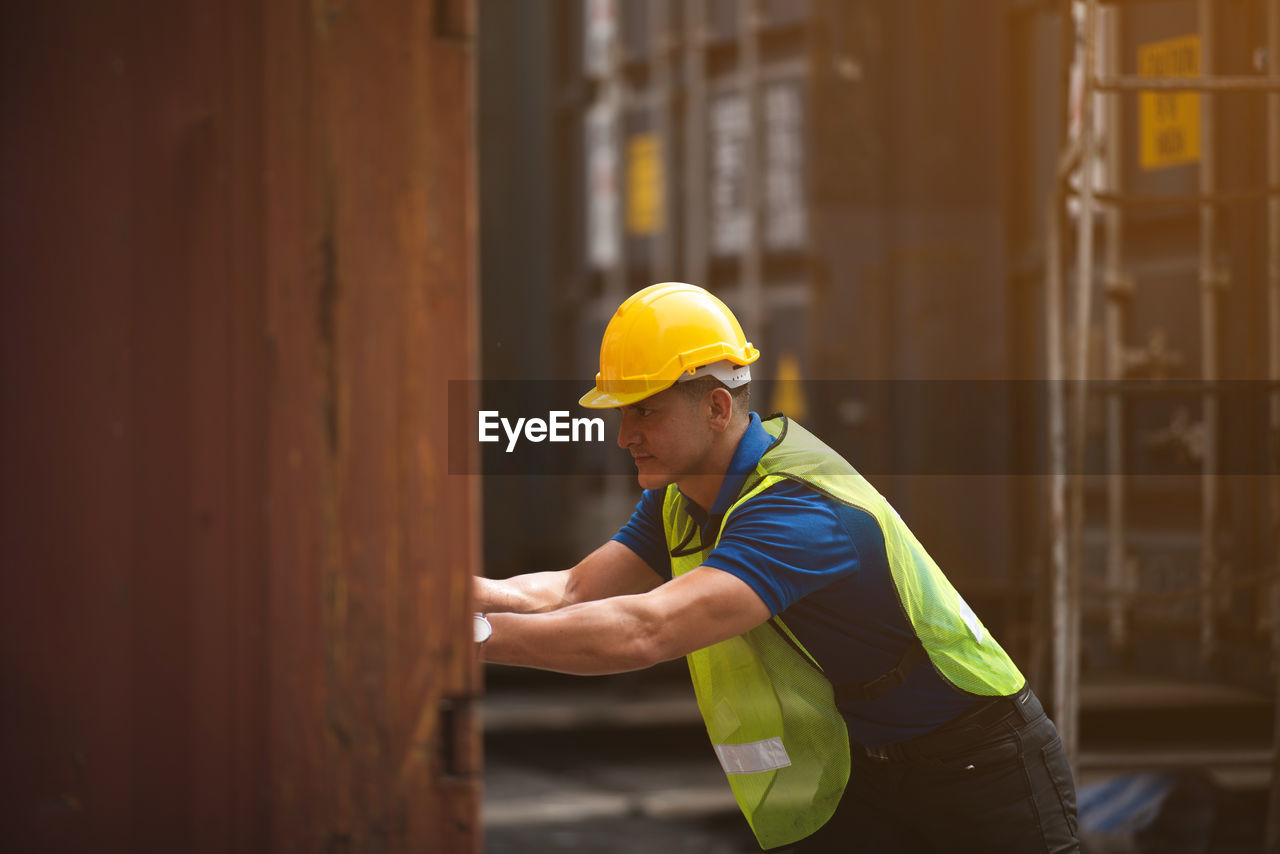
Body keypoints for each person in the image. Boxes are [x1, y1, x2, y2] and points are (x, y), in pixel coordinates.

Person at [474, 282, 1080, 853]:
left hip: (982, 765)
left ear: (716, 408)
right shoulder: (682, 496)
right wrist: (445, 600)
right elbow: (573, 589)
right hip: (872, 769)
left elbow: (644, 630)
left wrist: (462, 643)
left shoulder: (797, 508)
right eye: (622, 413)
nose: (623, 434)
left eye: (646, 412)